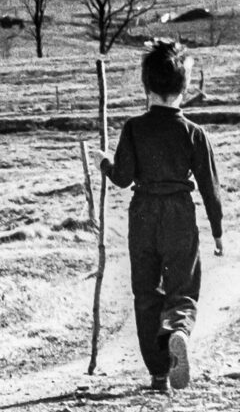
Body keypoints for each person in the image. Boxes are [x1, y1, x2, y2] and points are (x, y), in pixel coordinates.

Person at [94, 40, 223, 392]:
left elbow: (122, 178)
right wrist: (218, 231)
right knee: (182, 287)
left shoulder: (133, 128)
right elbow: (209, 187)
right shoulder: (194, 133)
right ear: (185, 87)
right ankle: (178, 330)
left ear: (146, 86)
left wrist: (105, 163)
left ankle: (158, 371)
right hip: (179, 214)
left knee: (147, 292)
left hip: (143, 215)